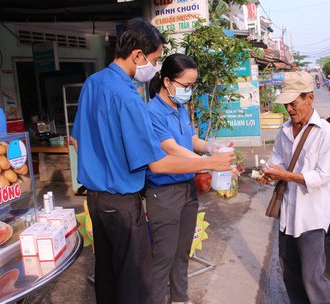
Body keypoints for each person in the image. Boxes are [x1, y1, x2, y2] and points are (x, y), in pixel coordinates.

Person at [71, 18, 235, 304]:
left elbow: (76, 140)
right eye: (155, 59)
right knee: (136, 281)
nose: (156, 68)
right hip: (121, 201)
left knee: (108, 276)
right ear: (137, 55)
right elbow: (157, 163)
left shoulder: (92, 83)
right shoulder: (128, 96)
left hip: (96, 200)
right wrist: (210, 163)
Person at [146, 53, 228, 304]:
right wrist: (207, 164)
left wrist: (213, 147)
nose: (189, 91)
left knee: (182, 252)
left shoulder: (180, 108)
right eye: (186, 86)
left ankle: (180, 299)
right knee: (163, 256)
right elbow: (171, 148)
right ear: (168, 81)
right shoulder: (152, 112)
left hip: (186, 188)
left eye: (192, 86)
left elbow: (191, 140)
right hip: (163, 193)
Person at [258, 71, 330, 303]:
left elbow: (322, 176)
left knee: (312, 277)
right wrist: (269, 175)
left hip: (311, 217)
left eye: (293, 103)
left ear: (309, 98)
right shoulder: (284, 130)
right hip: (287, 214)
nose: (290, 110)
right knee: (290, 274)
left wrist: (284, 174)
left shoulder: (326, 134)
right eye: (286, 104)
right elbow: (279, 162)